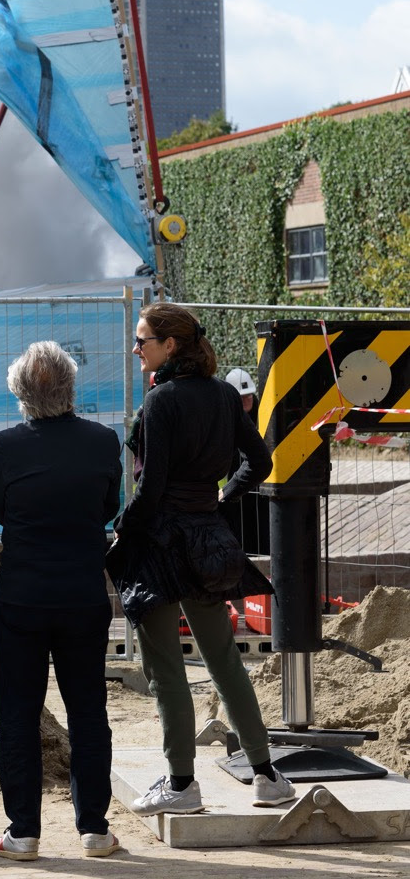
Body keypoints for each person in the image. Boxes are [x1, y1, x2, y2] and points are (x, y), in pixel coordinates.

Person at [109, 303, 295, 815]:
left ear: (169, 346)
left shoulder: (160, 402)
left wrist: (123, 531)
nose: (135, 347)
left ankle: (182, 784)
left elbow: (152, 488)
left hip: (161, 546)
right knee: (224, 660)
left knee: (165, 668)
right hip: (208, 543)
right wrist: (220, 499)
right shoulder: (221, 396)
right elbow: (260, 462)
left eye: (142, 339)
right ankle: (265, 775)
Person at [0, 342, 123, 861]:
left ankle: (22, 831)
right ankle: (94, 828)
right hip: (84, 593)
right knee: (88, 708)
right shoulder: (102, 441)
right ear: (71, 387)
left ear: (19, 392)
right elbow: (109, 505)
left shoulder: (4, 447)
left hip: (22, 596)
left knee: (16, 714)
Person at [219, 367, 271, 556]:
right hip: (234, 490)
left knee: (262, 532)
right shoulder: (225, 416)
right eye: (241, 397)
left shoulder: (263, 415)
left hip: (260, 488)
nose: (246, 400)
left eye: (248, 395)